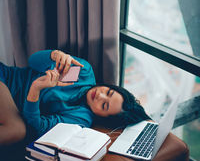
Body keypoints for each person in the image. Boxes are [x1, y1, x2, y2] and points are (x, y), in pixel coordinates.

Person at [0, 50, 150, 146]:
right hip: (5, 79)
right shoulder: (83, 73)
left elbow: (37, 126)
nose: (100, 95)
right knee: (17, 130)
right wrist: (53, 55)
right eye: (109, 92)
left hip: (10, 107)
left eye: (104, 105)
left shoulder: (81, 118)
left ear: (103, 117)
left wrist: (35, 90)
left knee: (19, 130)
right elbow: (32, 61)